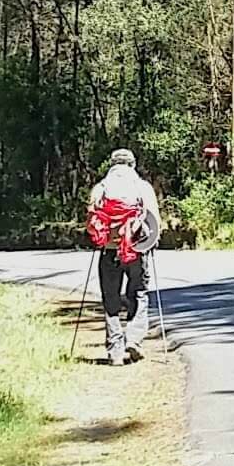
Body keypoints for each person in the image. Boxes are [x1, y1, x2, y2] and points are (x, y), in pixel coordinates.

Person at [86, 148, 164, 365]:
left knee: (110, 300)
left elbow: (92, 221)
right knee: (138, 293)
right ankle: (135, 340)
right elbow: (154, 220)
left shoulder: (100, 188)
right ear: (132, 164)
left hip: (109, 251)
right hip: (136, 251)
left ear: (112, 164)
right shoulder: (142, 187)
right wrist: (150, 244)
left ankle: (115, 352)